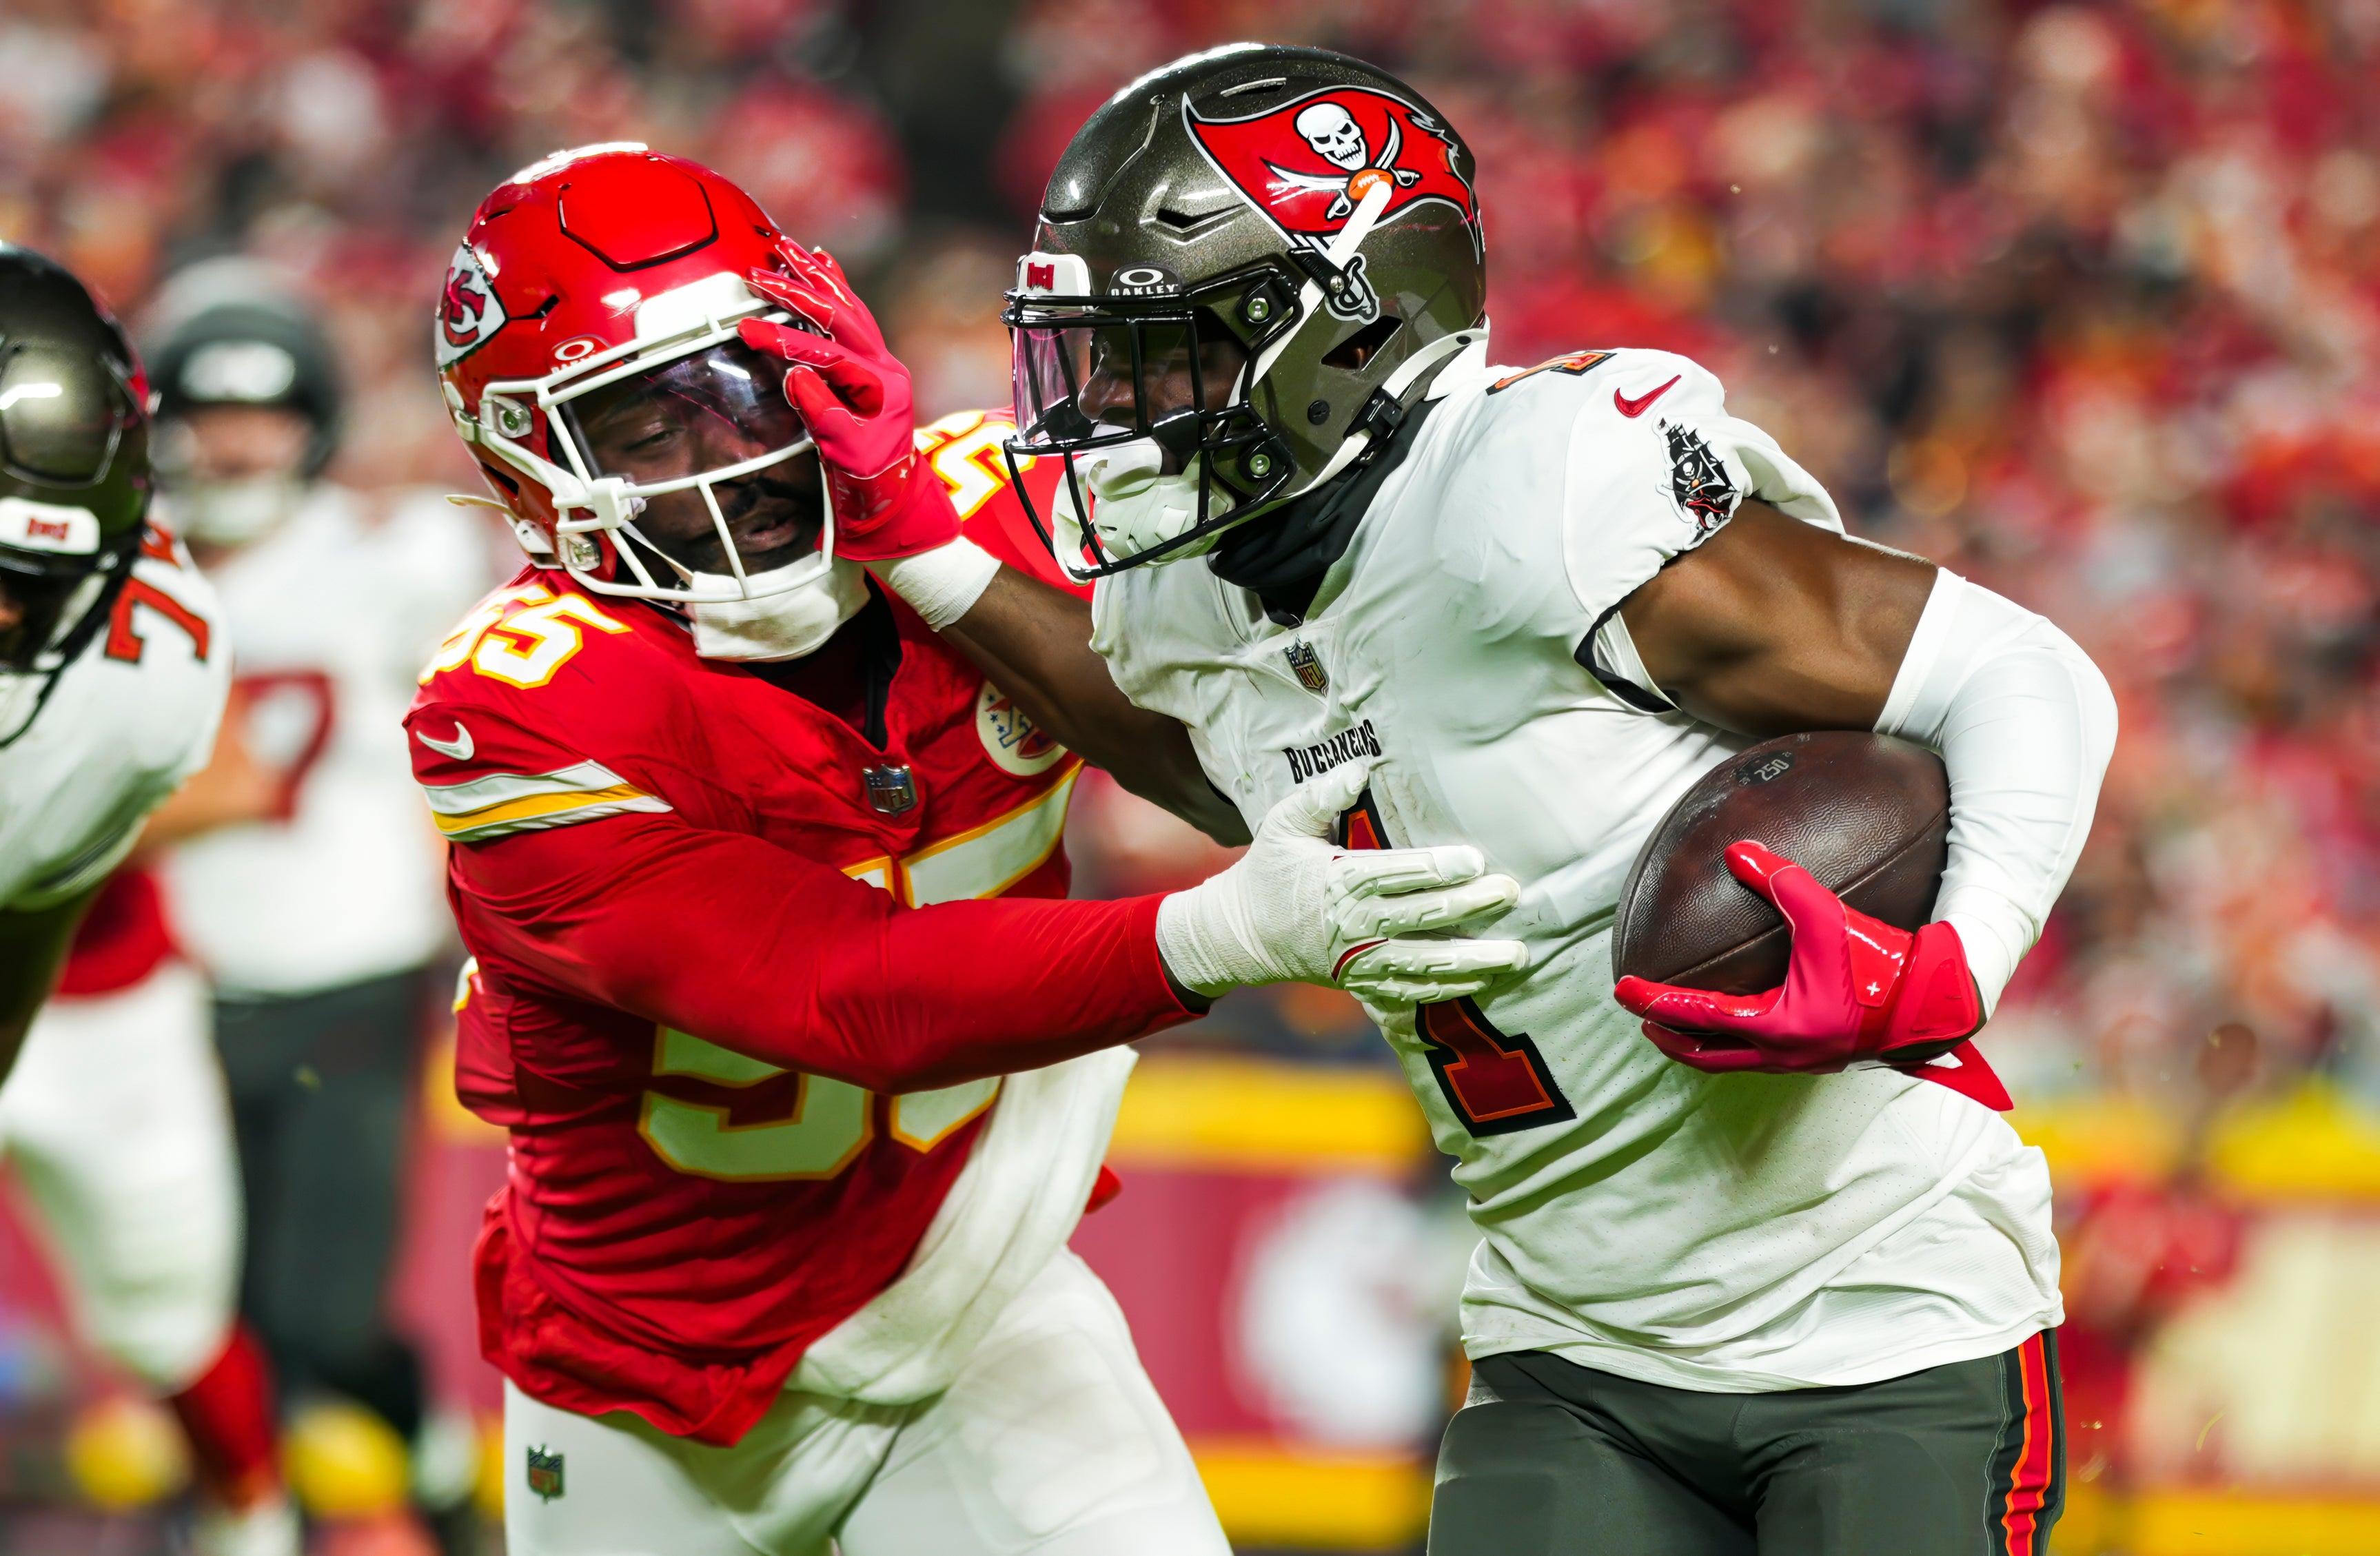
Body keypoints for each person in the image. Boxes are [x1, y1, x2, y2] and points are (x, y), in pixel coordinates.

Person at [764, 46, 2117, 1556]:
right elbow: (1186, 750)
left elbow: (2020, 673)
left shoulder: (1519, 507)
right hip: (1569, 1342)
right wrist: (911, 540)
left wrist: (1956, 958)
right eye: (1107, 353)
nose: (1125, 402)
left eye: (1175, 351)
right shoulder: (1197, 595)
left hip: (1881, 1311)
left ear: (1350, 335)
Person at [420, 143, 1523, 1556]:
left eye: (743, 383)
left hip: (974, 1300)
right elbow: (846, 993)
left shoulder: (995, 503)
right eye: (646, 428)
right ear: (529, 482)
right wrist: (1221, 933)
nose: (733, 455)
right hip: (654, 1381)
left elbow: (1232, 741)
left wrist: (930, 553)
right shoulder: (515, 703)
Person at [141, 264, 498, 1517]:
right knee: (206, 1311)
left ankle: (426, 1457)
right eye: (212, 413)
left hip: (347, 961)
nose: (237, 442)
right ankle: (285, 1511)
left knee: (317, 1311)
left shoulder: (393, 554)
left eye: (267, 414)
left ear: (316, 424)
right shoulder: (128, 571)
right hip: (177, 981)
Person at [0, 245, 294, 1556]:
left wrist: (49, 832)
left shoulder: (148, 646)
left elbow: (225, 784)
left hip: (102, 1010)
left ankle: (251, 1520)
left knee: (171, 1320)